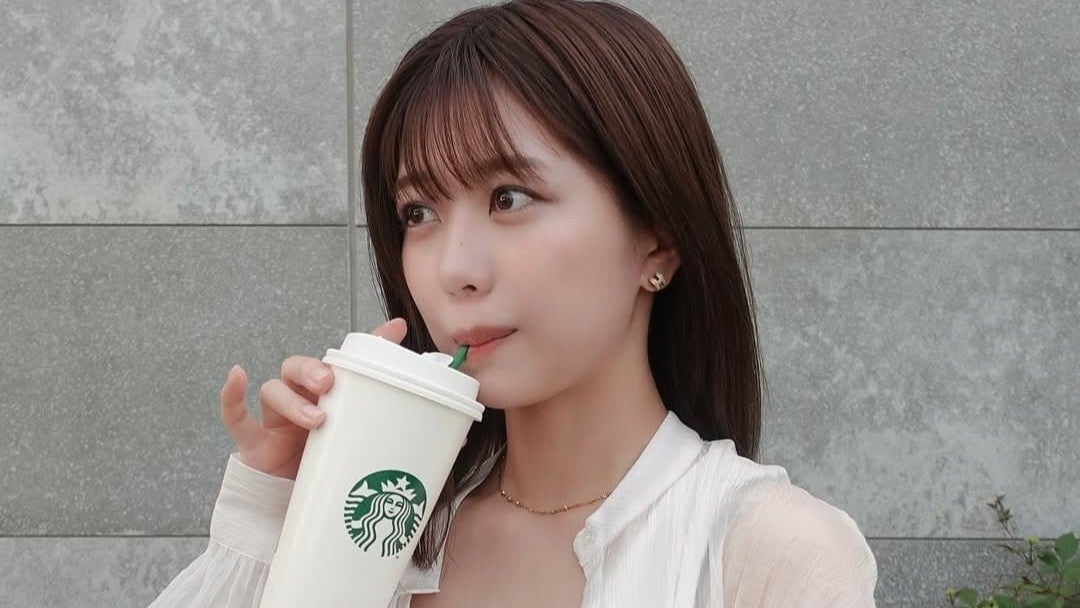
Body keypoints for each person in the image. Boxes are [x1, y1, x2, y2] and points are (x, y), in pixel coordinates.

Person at [148, 0, 878, 606]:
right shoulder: (386, 534)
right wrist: (282, 517)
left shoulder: (767, 554)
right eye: (417, 213)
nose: (454, 270)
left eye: (510, 198)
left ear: (657, 239)